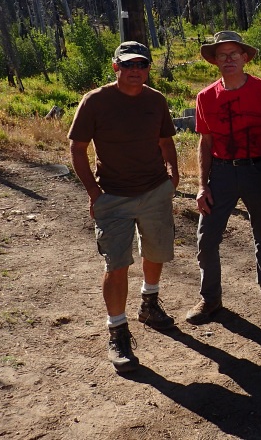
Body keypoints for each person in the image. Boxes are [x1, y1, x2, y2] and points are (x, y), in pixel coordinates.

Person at [68, 41, 179, 374]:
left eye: (142, 65)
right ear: (116, 67)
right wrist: (93, 192)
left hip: (155, 192)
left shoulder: (155, 100)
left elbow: (165, 140)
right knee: (116, 264)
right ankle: (117, 331)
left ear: (148, 68)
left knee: (157, 253)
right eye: (128, 65)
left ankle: (150, 305)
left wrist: (173, 176)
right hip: (113, 197)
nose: (135, 71)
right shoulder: (96, 101)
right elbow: (78, 148)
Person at [185, 31, 261, 325]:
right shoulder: (205, 97)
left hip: (259, 169)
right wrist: (202, 186)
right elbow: (205, 143)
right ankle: (210, 298)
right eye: (222, 55)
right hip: (222, 173)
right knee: (206, 240)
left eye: (233, 54)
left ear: (245, 57)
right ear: (215, 60)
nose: (228, 60)